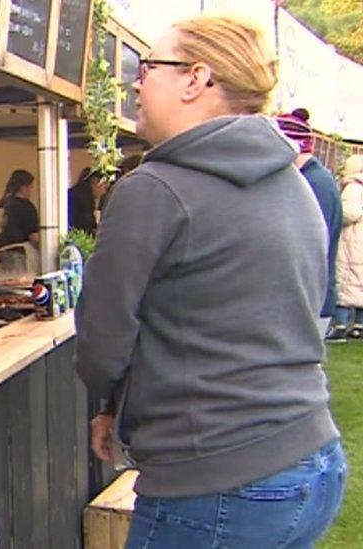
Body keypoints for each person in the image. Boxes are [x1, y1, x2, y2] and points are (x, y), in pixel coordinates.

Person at [75, 16, 345, 548]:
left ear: (195, 80)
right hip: (313, 460)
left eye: (148, 66)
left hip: (217, 481)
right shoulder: (296, 183)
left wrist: (107, 403)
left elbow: (103, 340)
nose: (135, 80)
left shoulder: (152, 189)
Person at [275, 108, 343, 338]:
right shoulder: (313, 180)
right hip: (310, 294)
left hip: (313, 296)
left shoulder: (315, 184)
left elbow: (310, 247)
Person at [0, 169, 41, 272]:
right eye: (30, 187)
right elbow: (34, 236)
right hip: (20, 257)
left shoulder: (1, 205)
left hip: (1, 256)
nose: (31, 191)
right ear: (23, 187)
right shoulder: (26, 207)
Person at [334, 154, 363, 339]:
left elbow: (351, 212)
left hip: (351, 240)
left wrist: (336, 211)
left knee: (345, 280)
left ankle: (341, 324)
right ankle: (359, 325)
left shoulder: (353, 187)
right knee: (359, 282)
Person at [67, 167, 107, 235]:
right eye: (104, 187)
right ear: (95, 181)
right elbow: (87, 227)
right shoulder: (84, 199)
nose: (103, 192)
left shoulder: (75, 193)